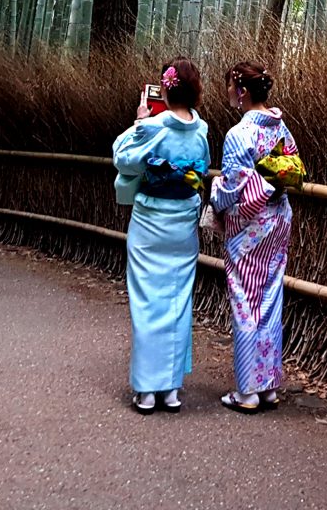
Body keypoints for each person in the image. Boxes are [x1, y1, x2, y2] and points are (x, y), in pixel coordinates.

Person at [113, 58, 210, 415]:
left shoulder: (152, 127)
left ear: (164, 89)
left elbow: (123, 160)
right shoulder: (201, 131)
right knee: (177, 297)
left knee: (147, 299)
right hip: (183, 222)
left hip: (151, 220)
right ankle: (170, 389)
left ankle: (147, 388)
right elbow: (200, 171)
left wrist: (139, 121)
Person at [210, 60, 298, 412]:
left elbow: (232, 187)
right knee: (270, 299)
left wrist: (215, 191)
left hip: (250, 227)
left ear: (241, 91)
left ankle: (247, 390)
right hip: (278, 220)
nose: (229, 92)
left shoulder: (239, 135)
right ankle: (268, 386)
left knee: (245, 302)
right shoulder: (282, 129)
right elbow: (290, 172)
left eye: (231, 86)